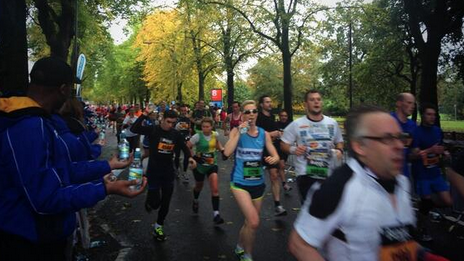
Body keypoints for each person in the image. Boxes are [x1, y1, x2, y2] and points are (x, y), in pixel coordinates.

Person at [0, 57, 147, 261]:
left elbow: (62, 170)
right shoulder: (30, 127)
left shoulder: (42, 121)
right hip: (30, 243)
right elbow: (45, 199)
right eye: (70, 89)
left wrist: (107, 166)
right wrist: (105, 189)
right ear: (63, 89)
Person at [288, 104, 449, 261]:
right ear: (360, 146)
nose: (400, 146)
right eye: (387, 138)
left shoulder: (402, 182)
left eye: (400, 138)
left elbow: (399, 238)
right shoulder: (337, 188)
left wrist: (424, 256)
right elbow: (299, 244)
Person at [223, 100, 279, 261]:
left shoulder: (264, 134)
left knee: (249, 221)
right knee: (254, 222)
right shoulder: (236, 131)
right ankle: (248, 255)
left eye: (254, 111)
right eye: (247, 112)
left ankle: (240, 246)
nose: (251, 114)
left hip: (258, 184)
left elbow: (275, 154)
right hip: (239, 183)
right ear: (242, 115)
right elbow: (226, 153)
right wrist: (239, 132)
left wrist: (273, 159)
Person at [131, 109, 196, 242]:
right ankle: (150, 200)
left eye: (173, 122)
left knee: (166, 202)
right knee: (155, 204)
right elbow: (134, 128)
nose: (170, 125)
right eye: (168, 122)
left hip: (168, 172)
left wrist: (190, 158)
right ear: (162, 119)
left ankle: (158, 226)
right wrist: (144, 114)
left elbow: (184, 147)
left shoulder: (175, 134)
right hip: (154, 172)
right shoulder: (153, 130)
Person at [280, 90, 344, 203]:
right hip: (306, 174)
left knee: (327, 209)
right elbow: (283, 144)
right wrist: (293, 149)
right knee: (312, 209)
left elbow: (339, 141)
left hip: (327, 173)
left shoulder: (332, 123)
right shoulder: (296, 124)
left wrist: (339, 150)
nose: (316, 102)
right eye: (312, 100)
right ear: (306, 104)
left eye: (318, 99)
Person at [411, 103, 452, 241]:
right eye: (429, 114)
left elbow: (439, 147)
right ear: (423, 116)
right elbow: (414, 154)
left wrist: (444, 153)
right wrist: (429, 151)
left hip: (435, 172)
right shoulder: (416, 132)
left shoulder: (437, 131)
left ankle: (424, 205)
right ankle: (421, 229)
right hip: (421, 172)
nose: (432, 117)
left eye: (434, 114)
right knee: (426, 203)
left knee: (447, 201)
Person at [187, 117, 225, 224]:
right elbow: (188, 146)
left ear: (211, 127)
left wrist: (222, 150)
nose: (205, 129)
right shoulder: (197, 136)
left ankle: (216, 214)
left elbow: (217, 143)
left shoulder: (215, 135)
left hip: (212, 165)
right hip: (199, 166)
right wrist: (194, 157)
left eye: (207, 127)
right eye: (203, 126)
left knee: (215, 189)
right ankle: (195, 200)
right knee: (199, 186)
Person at [256, 95, 287, 216]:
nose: (270, 104)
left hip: (271, 149)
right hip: (259, 150)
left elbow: (273, 134)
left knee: (274, 175)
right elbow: (256, 134)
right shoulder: (258, 117)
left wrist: (278, 134)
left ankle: (278, 205)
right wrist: (270, 134)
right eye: (267, 102)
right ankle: (252, 202)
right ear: (261, 104)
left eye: (270, 102)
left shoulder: (273, 117)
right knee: (256, 178)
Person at [391, 92, 417, 177]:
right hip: (386, 172)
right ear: (398, 103)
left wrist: (418, 153)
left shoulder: (413, 126)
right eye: (409, 103)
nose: (413, 106)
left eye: (414, 104)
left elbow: (411, 151)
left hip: (404, 174)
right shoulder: (388, 120)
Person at [174, 104, 192, 181]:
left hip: (186, 139)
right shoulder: (176, 119)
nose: (184, 112)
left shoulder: (188, 119)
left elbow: (190, 128)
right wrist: (176, 128)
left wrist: (190, 132)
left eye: (185, 110)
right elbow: (172, 128)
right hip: (177, 139)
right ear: (179, 111)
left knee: (187, 155)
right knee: (177, 156)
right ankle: (177, 170)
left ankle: (184, 172)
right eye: (182, 110)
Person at [276, 109, 292, 192]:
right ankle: (284, 184)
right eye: (282, 116)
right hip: (277, 147)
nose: (284, 117)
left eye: (285, 116)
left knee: (282, 166)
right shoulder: (276, 124)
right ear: (279, 116)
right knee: (282, 166)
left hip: (286, 148)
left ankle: (279, 178)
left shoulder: (290, 125)